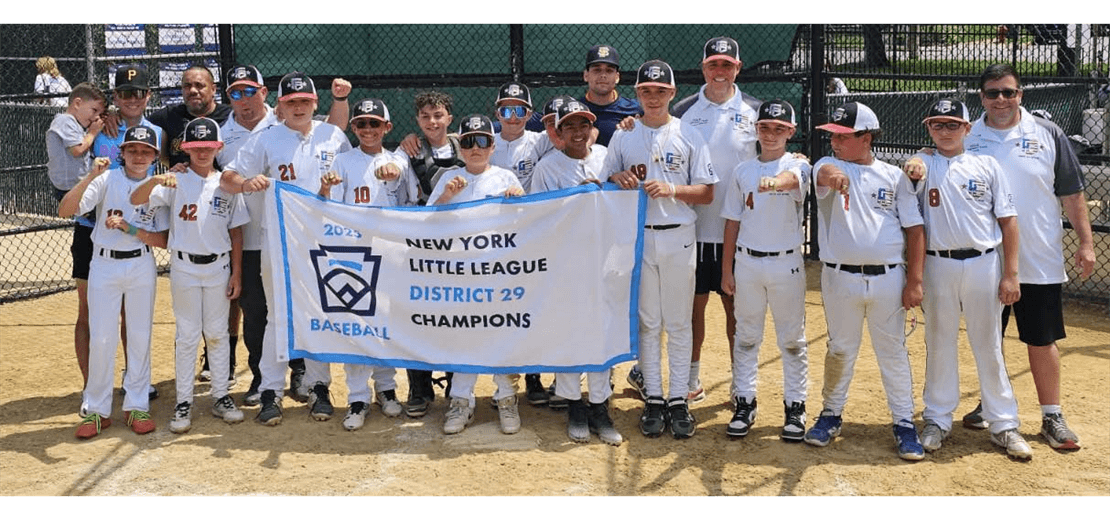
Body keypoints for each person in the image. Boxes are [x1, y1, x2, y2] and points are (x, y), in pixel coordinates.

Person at [960, 64, 1097, 451]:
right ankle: (992, 403)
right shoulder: (967, 134)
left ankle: (1052, 415)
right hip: (984, 259)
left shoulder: (1047, 133)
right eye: (992, 93)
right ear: (981, 97)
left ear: (1021, 95)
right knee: (988, 338)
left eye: (1008, 92)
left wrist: (1085, 243)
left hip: (1039, 258)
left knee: (1042, 338)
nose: (1000, 100)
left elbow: (1072, 193)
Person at [628, 36, 761, 406]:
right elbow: (650, 127)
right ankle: (690, 378)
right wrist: (630, 124)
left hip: (740, 231)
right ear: (703, 68)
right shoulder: (685, 110)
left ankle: (741, 385)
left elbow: (774, 152)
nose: (719, 72)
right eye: (713, 65)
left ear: (737, 67)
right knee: (692, 308)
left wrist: (798, 162)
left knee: (738, 309)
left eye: (727, 65)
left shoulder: (755, 110)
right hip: (693, 229)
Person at [218, 72, 352, 426]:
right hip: (277, 241)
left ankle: (318, 385)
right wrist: (247, 182)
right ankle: (270, 391)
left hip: (323, 242)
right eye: (291, 102)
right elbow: (227, 178)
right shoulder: (267, 139)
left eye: (304, 101)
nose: (298, 107)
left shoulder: (333, 136)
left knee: (319, 313)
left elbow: (352, 176)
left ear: (315, 103)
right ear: (279, 104)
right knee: (278, 316)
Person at [902, 98, 1032, 460]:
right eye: (938, 125)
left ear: (968, 128)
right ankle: (937, 418)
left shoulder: (986, 164)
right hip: (937, 263)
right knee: (939, 340)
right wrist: (913, 160)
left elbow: (1008, 220)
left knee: (988, 342)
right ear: (928, 128)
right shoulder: (922, 163)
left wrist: (1011, 274)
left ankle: (1003, 422)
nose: (945, 131)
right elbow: (909, 170)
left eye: (953, 125)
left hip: (983, 262)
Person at [804, 101, 926, 461]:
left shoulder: (893, 176)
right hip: (840, 276)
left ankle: (904, 422)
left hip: (889, 278)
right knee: (840, 348)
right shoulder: (828, 166)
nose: (836, 142)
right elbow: (823, 173)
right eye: (834, 135)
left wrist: (915, 281)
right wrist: (832, 176)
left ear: (867, 137)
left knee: (893, 352)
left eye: (844, 136)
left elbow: (914, 229)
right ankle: (830, 414)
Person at [603, 60, 716, 440]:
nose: (653, 97)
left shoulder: (688, 134)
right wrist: (615, 177)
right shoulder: (624, 134)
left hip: (678, 234)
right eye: (646, 91)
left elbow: (706, 191)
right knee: (649, 321)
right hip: (639, 236)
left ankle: (678, 400)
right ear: (637, 94)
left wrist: (672, 189)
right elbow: (607, 178)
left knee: (679, 321)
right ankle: (653, 397)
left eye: (660, 91)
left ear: (671, 93)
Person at [130, 117, 248, 434]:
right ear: (185, 148)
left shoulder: (226, 182)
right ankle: (184, 401)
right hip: (183, 266)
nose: (202, 152)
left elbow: (237, 232)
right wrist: (158, 180)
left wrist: (237, 271)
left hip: (219, 265)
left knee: (218, 333)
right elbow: (137, 201)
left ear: (218, 147)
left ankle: (221, 395)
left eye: (208, 146)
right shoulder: (174, 180)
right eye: (196, 147)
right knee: (187, 335)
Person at [59, 126, 168, 439]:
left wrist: (130, 229)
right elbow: (65, 209)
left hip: (140, 262)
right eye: (132, 150)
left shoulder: (158, 186)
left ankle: (136, 405)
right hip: (104, 263)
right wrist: (90, 176)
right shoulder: (108, 179)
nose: (138, 156)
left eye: (146, 151)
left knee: (139, 334)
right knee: (103, 338)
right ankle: (96, 409)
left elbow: (162, 240)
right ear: (122, 153)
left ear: (154, 156)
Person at [317, 97, 416, 430]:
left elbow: (409, 204)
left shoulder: (398, 160)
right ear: (353, 127)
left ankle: (386, 389)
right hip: (352, 255)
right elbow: (324, 208)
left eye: (376, 123)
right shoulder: (343, 161)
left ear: (387, 127)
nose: (369, 129)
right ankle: (357, 396)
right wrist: (324, 187)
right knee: (356, 326)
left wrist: (395, 171)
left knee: (385, 323)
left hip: (388, 253)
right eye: (362, 123)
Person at [528, 99, 621, 445]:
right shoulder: (547, 168)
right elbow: (538, 217)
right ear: (558, 132)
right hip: (566, 261)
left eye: (584, 125)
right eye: (570, 126)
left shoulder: (605, 156)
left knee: (601, 330)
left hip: (604, 258)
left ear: (592, 128)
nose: (578, 132)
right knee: (569, 332)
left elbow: (623, 196)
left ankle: (599, 404)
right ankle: (574, 404)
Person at [427, 114, 526, 435]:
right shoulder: (448, 178)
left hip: (498, 274)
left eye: (482, 141)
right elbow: (426, 225)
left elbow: (529, 226)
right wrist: (445, 199)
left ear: (493, 146)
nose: (475, 148)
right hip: (460, 276)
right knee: (463, 337)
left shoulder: (505, 177)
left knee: (500, 336)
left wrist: (517, 202)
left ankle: (507, 399)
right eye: (468, 142)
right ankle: (461, 400)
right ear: (460, 146)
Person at [719, 99, 810, 442]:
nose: (771, 135)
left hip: (786, 261)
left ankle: (795, 407)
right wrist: (727, 270)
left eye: (779, 129)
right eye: (765, 128)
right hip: (748, 262)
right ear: (756, 130)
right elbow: (731, 222)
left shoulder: (799, 165)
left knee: (792, 340)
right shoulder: (743, 171)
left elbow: (793, 179)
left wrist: (773, 182)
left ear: (791, 132)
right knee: (746, 337)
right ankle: (744, 402)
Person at [213, 64, 287, 407]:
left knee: (293, 307)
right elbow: (212, 176)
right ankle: (260, 376)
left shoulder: (286, 120)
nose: (243, 99)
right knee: (255, 310)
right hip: (246, 237)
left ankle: (299, 372)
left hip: (289, 235)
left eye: (249, 91)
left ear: (264, 92)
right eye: (235, 93)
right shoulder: (220, 133)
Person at [397, 90, 465, 417]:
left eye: (438, 115)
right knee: (418, 313)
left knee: (455, 312)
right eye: (425, 117)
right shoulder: (409, 150)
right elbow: (394, 174)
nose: (432, 122)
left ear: (449, 118)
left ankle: (455, 382)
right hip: (422, 241)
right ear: (417, 121)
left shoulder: (465, 146)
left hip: (458, 242)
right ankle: (419, 386)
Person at [45, 82, 107, 399]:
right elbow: (78, 150)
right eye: (93, 111)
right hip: (71, 193)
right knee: (87, 308)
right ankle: (91, 385)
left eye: (100, 114)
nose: (95, 117)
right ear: (77, 103)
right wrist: (94, 132)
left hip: (85, 196)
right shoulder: (65, 123)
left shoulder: (75, 123)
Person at [527, 45, 642, 147]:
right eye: (597, 70)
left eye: (609, 70)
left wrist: (638, 124)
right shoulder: (573, 110)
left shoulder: (636, 109)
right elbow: (524, 121)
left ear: (617, 77)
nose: (603, 75)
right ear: (586, 75)